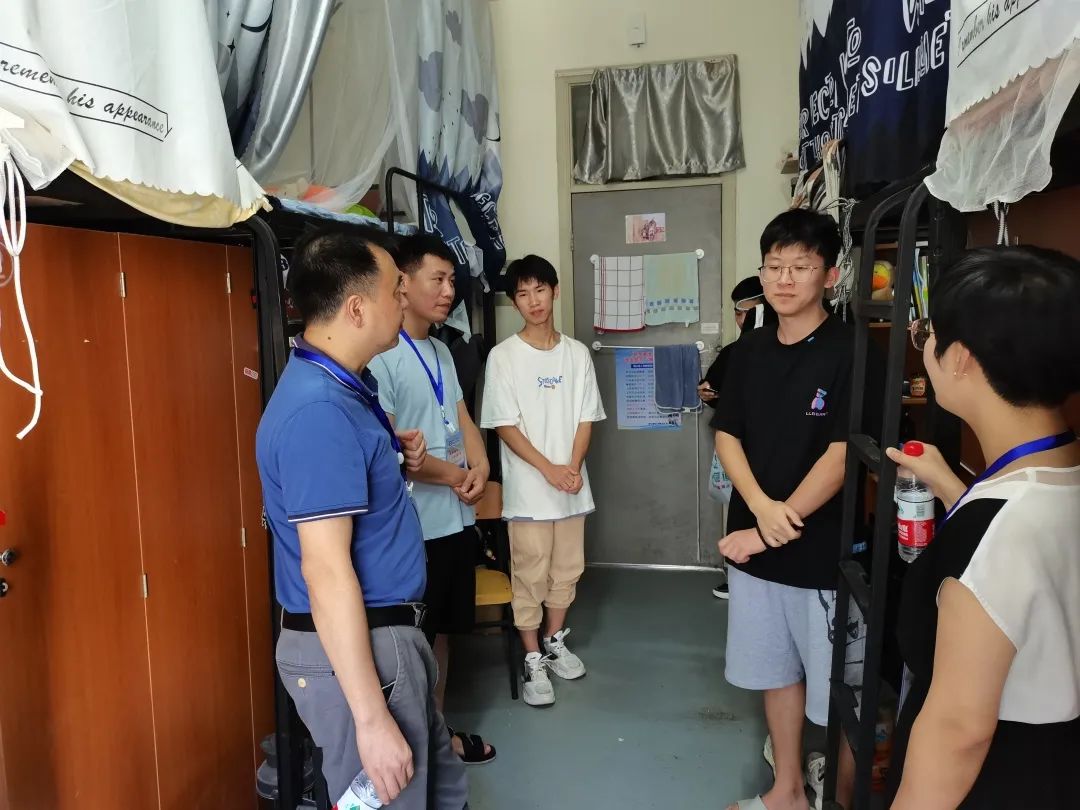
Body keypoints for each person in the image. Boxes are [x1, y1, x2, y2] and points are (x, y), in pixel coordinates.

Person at [255, 225, 468, 808]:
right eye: (395, 289)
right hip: (361, 652)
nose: (406, 299)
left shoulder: (347, 387)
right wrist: (372, 722)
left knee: (441, 794)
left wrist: (391, 451)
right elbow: (325, 571)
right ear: (356, 308)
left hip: (387, 638)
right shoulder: (319, 413)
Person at [885, 246, 1080, 809]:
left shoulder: (993, 532)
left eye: (929, 334)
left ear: (962, 359)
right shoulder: (1052, 478)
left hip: (1001, 780)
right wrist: (952, 488)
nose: (925, 347)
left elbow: (958, 730)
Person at [713, 209, 862, 810]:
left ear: (830, 274)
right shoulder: (747, 350)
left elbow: (842, 455)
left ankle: (842, 800)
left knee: (841, 690)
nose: (784, 278)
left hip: (822, 551)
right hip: (754, 542)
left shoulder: (853, 349)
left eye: (801, 266)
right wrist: (759, 512)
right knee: (774, 671)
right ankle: (789, 790)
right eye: (774, 266)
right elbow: (727, 434)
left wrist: (773, 526)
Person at [369, 233, 495, 766]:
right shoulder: (383, 355)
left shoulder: (441, 350)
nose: (449, 291)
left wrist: (481, 467)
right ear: (402, 282)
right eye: (437, 280)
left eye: (451, 280)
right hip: (414, 528)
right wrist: (460, 476)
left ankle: (437, 737)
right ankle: (414, 747)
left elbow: (462, 419)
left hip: (453, 520)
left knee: (442, 634)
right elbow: (401, 455)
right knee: (412, 644)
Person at [480, 255, 606, 707]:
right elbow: (504, 425)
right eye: (522, 294)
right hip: (530, 491)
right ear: (514, 302)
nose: (533, 301)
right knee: (530, 572)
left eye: (540, 290)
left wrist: (571, 467)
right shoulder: (503, 357)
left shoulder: (577, 354)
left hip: (571, 487)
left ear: (554, 290)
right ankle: (532, 655)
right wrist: (549, 469)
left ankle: (554, 641)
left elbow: (586, 417)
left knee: (567, 570)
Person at [698, 275, 778, 599]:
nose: (741, 318)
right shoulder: (737, 351)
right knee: (743, 506)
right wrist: (709, 394)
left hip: (777, 448)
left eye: (747, 311)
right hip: (741, 445)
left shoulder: (791, 347)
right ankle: (739, 575)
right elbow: (714, 391)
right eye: (737, 312)